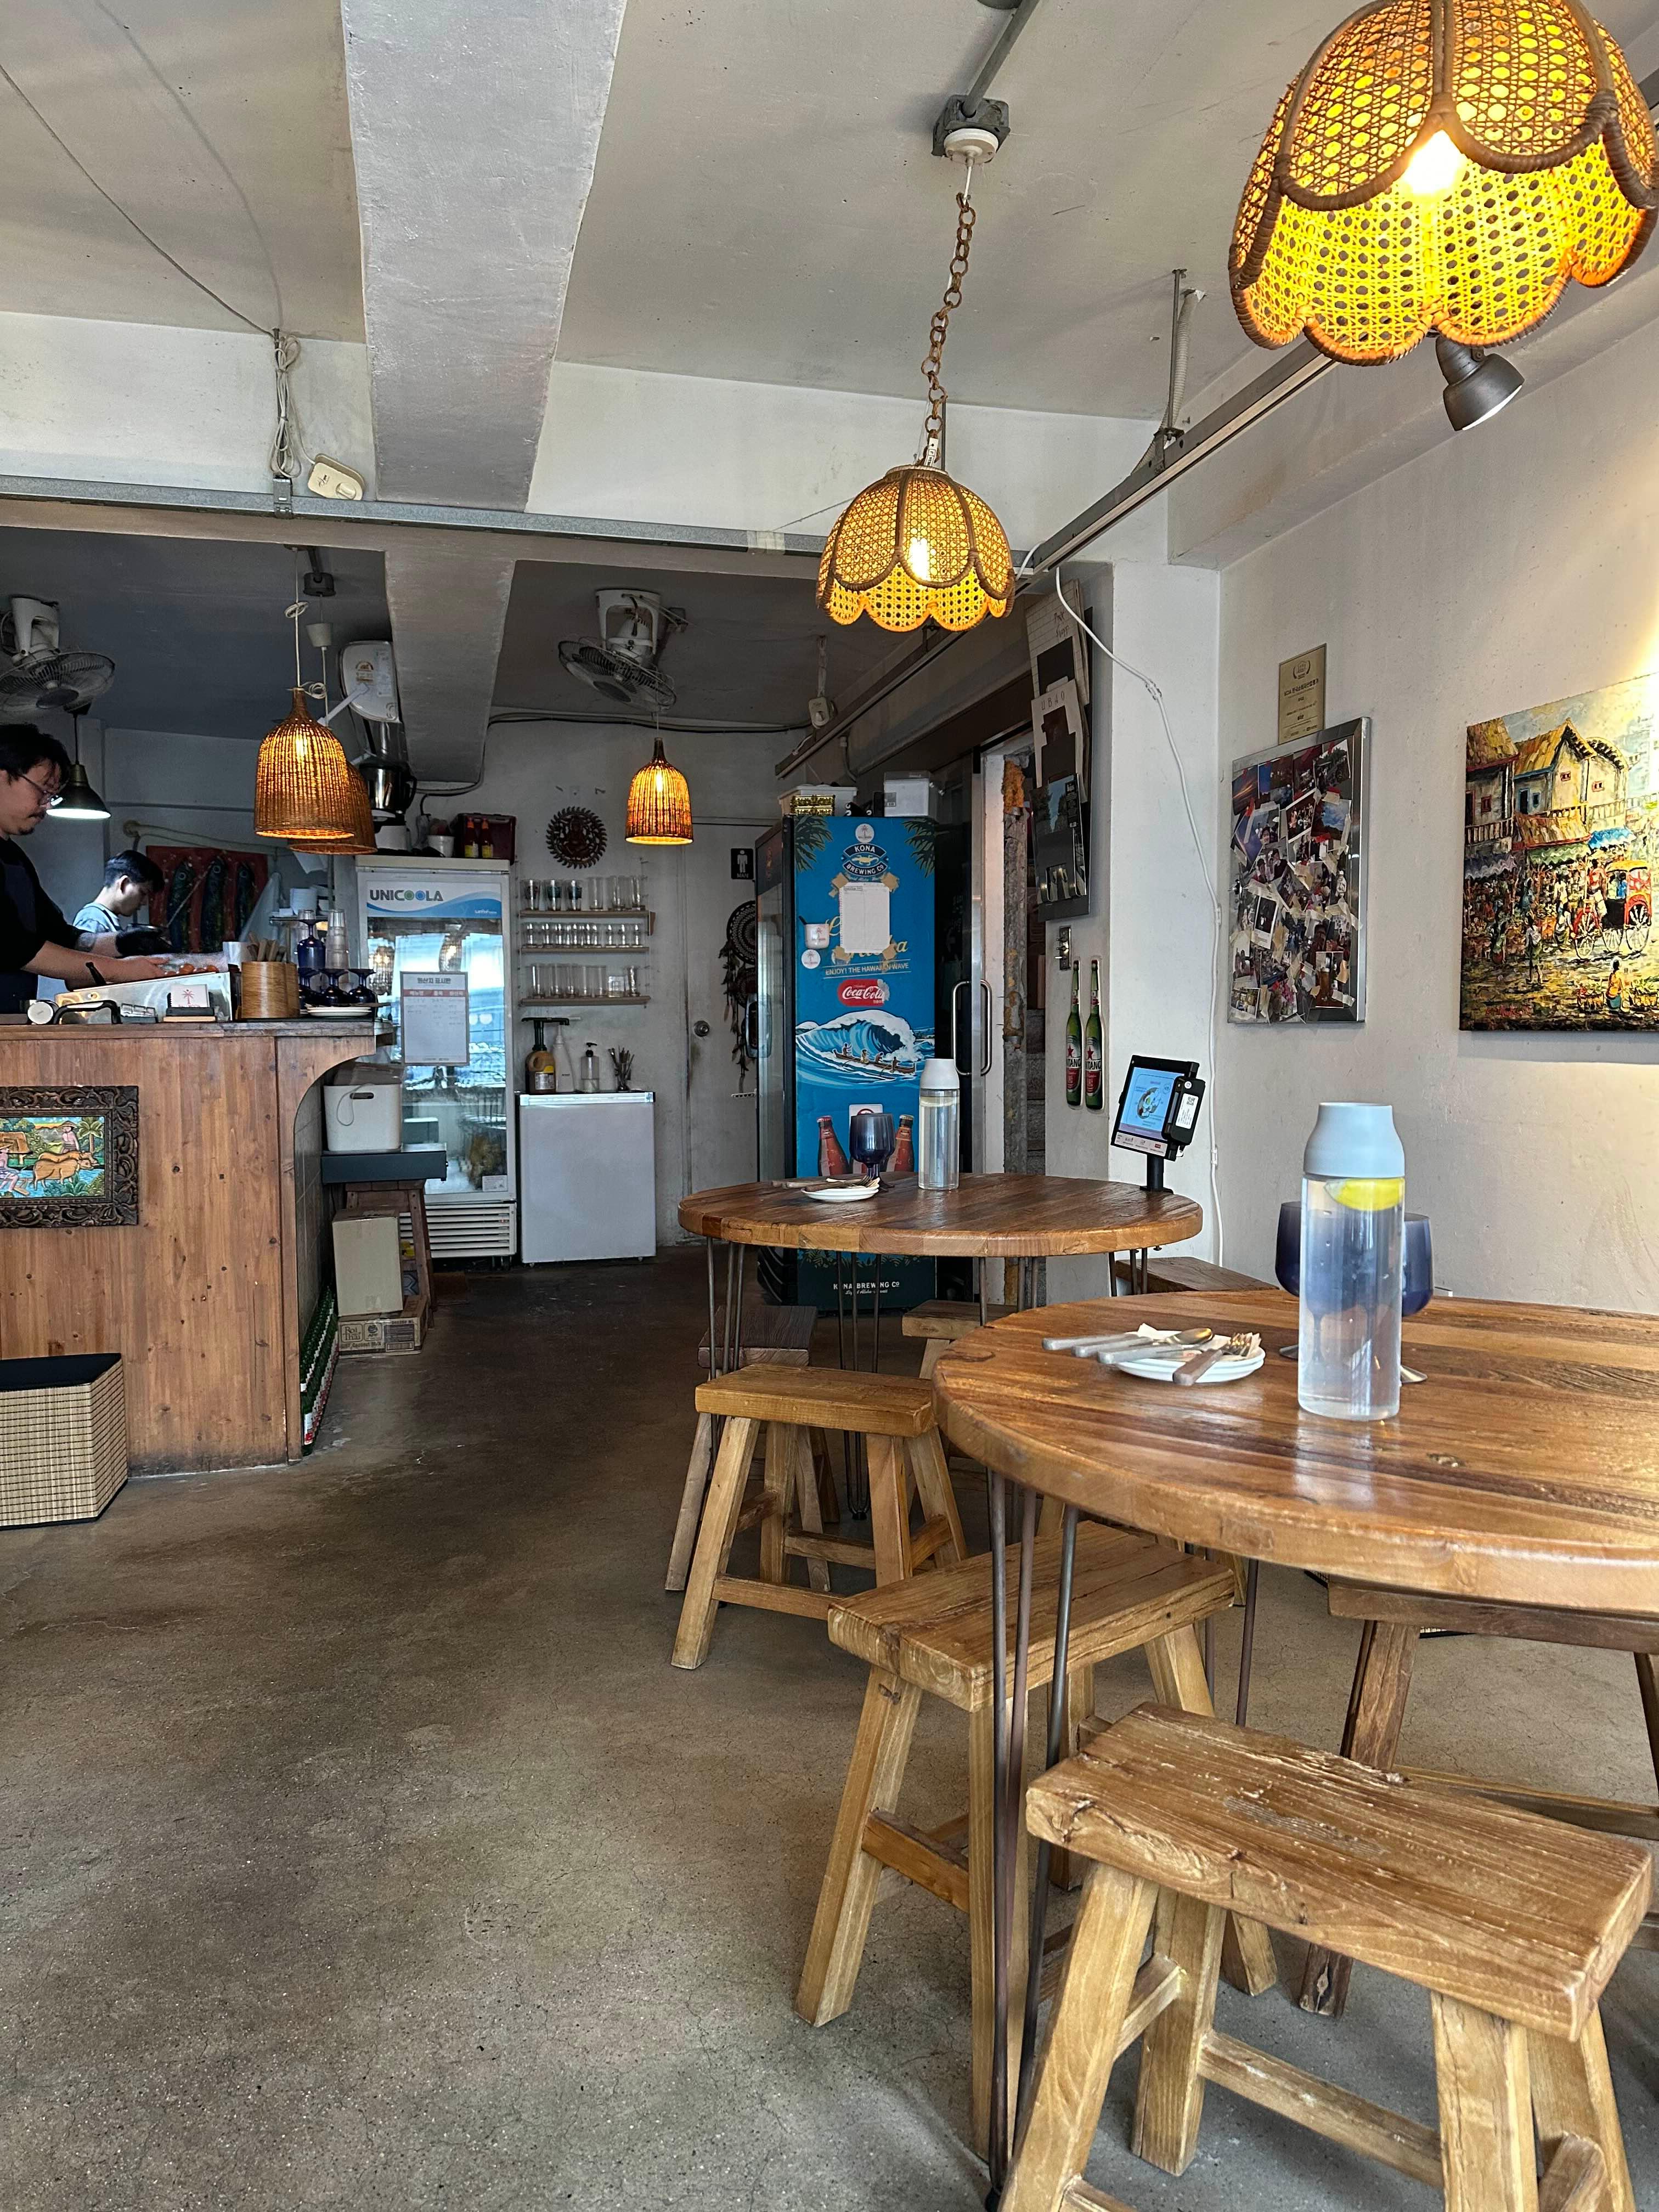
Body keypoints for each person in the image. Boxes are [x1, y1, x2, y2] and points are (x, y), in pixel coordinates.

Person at [0, 729, 167, 1013]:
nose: (46, 805)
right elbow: (13, 945)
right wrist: (120, 970)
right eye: (43, 790)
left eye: (53, 796)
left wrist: (126, 942)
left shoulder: (16, 859)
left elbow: (63, 937)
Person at [70, 849, 167, 949]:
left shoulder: (103, 919)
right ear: (124, 883)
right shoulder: (93, 920)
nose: (144, 902)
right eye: (143, 893)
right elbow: (85, 958)